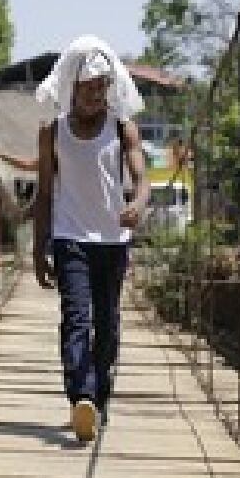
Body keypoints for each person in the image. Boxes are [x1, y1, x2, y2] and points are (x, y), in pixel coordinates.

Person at [32, 37, 150, 445]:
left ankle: (99, 399)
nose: (94, 95)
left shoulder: (123, 127)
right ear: (72, 88)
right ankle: (81, 395)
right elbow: (44, 193)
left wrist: (137, 203)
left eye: (101, 86)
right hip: (71, 239)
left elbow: (142, 179)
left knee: (109, 325)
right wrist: (38, 247)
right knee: (77, 317)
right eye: (87, 87)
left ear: (109, 87)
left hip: (113, 241)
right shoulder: (53, 132)